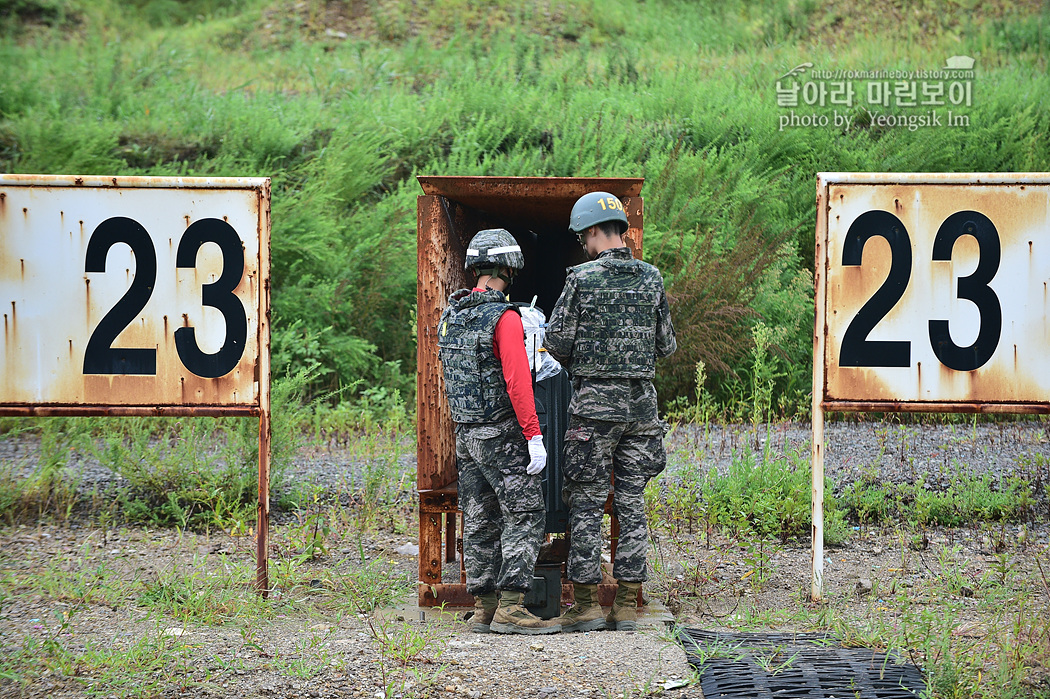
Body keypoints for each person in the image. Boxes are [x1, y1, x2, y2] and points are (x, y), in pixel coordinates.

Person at [543, 192, 677, 632]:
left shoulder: (580, 279)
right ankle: (624, 605)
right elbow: (667, 345)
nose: (583, 242)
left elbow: (557, 342)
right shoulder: (652, 278)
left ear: (593, 232)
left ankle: (583, 605)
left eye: (583, 235)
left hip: (593, 410)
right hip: (640, 409)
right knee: (631, 502)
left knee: (585, 502)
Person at [437, 228, 559, 636]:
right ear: (510, 269)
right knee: (526, 512)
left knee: (479, 517)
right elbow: (518, 383)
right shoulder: (504, 319)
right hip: (501, 435)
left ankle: (484, 607)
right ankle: (510, 607)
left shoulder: (450, 316)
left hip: (465, 433)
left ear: (476, 268)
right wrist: (534, 435)